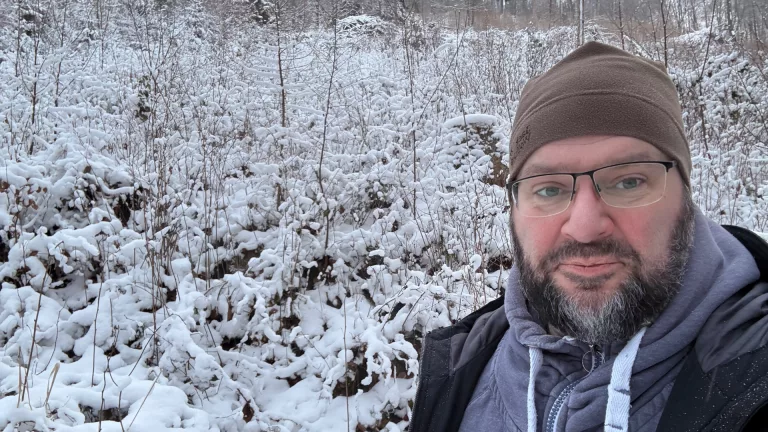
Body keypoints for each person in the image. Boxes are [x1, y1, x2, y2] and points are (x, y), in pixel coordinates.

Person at [408, 41, 768, 432]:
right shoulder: (458, 372)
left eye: (629, 181)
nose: (584, 227)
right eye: (548, 189)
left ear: (685, 196)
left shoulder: (755, 369)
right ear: (513, 207)